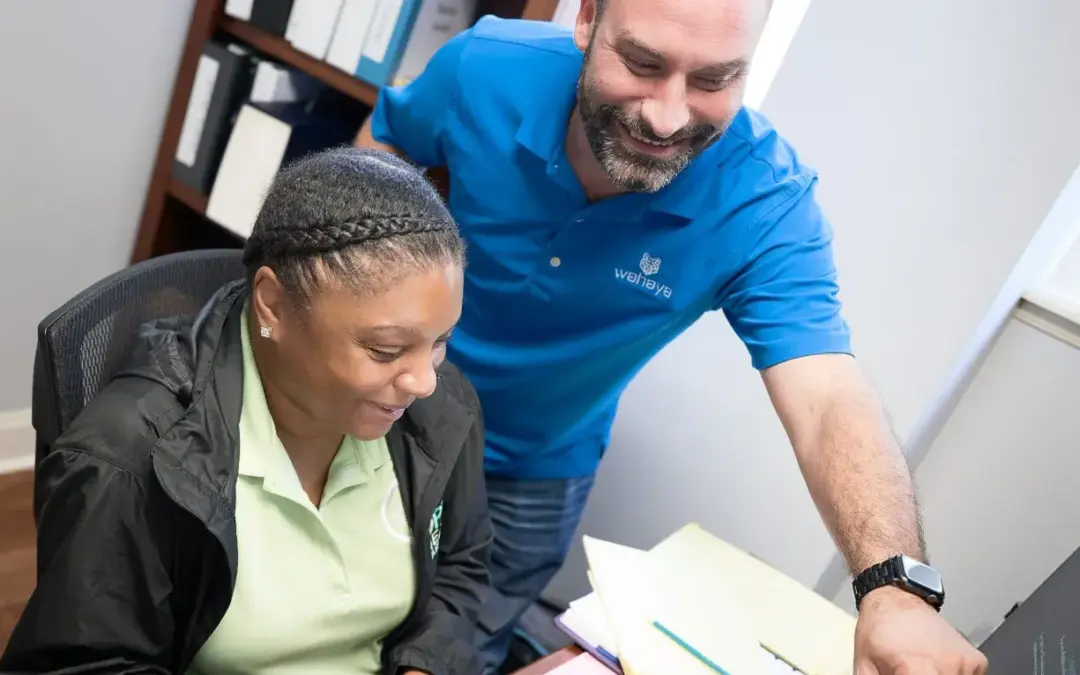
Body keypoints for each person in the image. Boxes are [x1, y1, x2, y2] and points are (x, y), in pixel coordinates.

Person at [353, 0, 991, 672]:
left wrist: (894, 587)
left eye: (713, 80)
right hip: (381, 407)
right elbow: (388, 143)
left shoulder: (764, 199)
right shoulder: (484, 67)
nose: (666, 115)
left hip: (532, 474)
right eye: (641, 63)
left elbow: (828, 394)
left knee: (453, 654)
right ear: (587, 22)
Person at [1, 148, 492, 675]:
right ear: (274, 306)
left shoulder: (439, 410)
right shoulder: (128, 459)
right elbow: (84, 665)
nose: (423, 380)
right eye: (385, 350)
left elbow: (463, 564)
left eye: (440, 340)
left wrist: (424, 666)